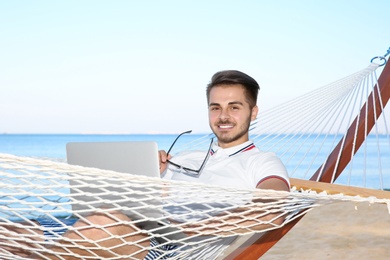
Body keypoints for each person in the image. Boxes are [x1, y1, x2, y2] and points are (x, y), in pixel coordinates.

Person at [11, 70, 290, 259]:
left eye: (234, 106)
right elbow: (149, 204)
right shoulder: (186, 158)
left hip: (172, 248)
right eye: (215, 107)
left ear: (253, 113)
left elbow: (272, 210)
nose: (223, 115)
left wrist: (187, 228)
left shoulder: (263, 161)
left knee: (103, 221)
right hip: (134, 225)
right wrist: (148, 176)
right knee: (12, 231)